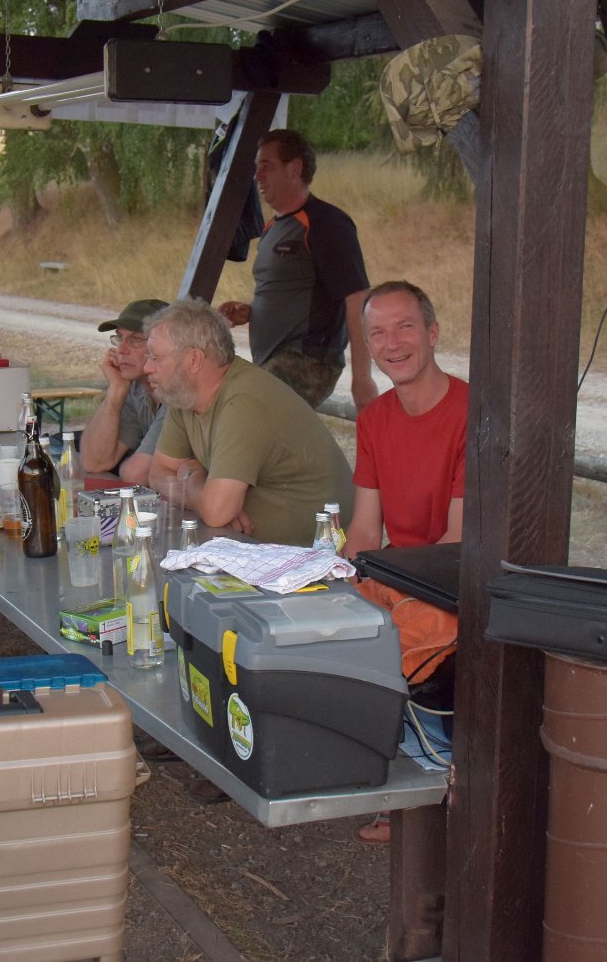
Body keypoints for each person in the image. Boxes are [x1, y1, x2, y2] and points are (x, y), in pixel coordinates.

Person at [342, 280, 466, 844]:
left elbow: (457, 543)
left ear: (433, 333)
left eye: (405, 327)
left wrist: (386, 588)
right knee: (321, 617)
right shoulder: (375, 419)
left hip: (451, 580)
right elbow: (365, 532)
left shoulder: (472, 411)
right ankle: (373, 763)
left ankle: (427, 783)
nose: (392, 343)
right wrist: (332, 585)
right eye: (378, 333)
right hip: (399, 573)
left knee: (409, 630)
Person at [145, 298, 353, 546]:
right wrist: (204, 496)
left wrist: (192, 475)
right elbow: (157, 473)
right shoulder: (185, 395)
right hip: (255, 550)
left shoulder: (243, 400)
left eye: (155, 358)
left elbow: (216, 511)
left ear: (194, 360)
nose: (147, 367)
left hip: (319, 554)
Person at [217, 129, 378, 413]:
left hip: (306, 361)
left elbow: (357, 298)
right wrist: (252, 312)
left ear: (295, 168)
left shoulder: (326, 222)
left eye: (266, 166)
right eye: (256, 167)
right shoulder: (273, 227)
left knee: (239, 414)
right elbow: (294, 292)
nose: (257, 176)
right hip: (270, 360)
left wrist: (362, 379)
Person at [79, 298, 168, 485]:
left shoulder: (178, 394)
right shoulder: (135, 387)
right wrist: (115, 391)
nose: (120, 350)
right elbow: (94, 462)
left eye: (135, 340)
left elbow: (136, 474)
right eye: (119, 338)